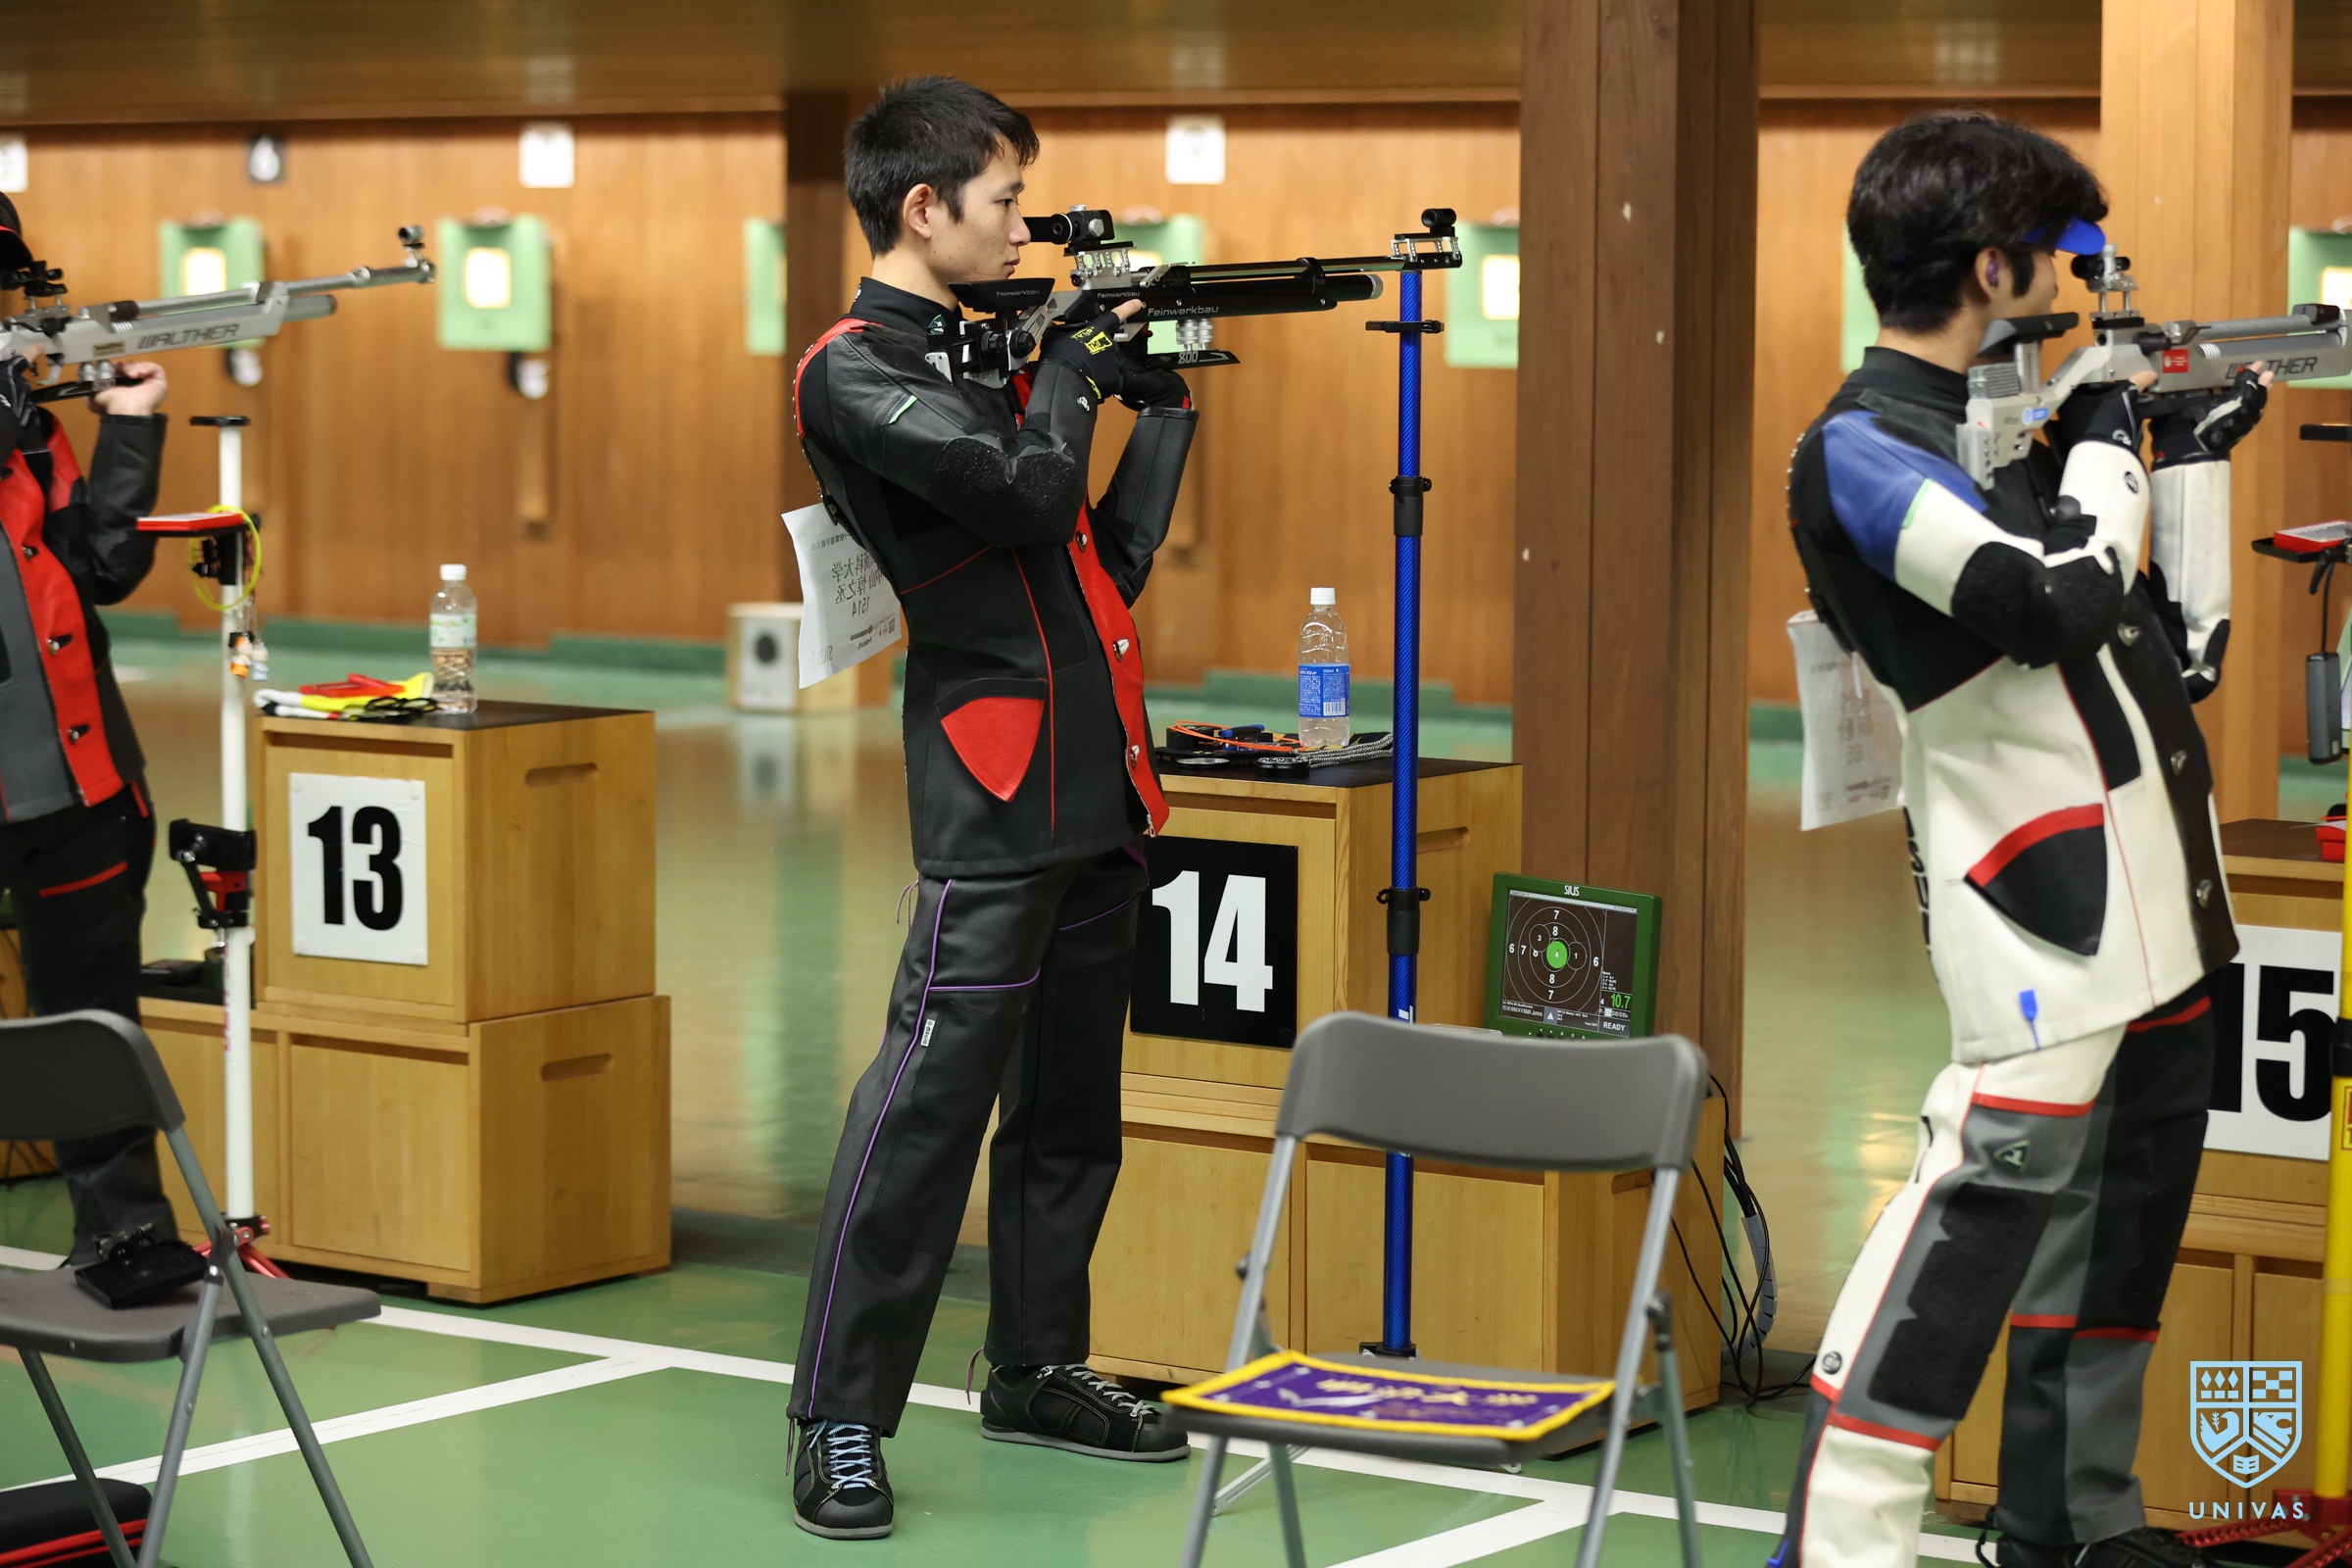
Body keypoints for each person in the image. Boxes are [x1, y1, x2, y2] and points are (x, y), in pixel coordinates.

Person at [1774, 113, 2267, 1568]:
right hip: (2047, 912)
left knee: (2120, 1237)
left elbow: (2165, 650)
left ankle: (2073, 1522)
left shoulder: (2000, 431)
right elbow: (2049, 602)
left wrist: (2183, 464)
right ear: (1991, 268)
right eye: (2060, 253)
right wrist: (2109, 437)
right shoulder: (1861, 450)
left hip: (2165, 906)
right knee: (1964, 1236)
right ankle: (1840, 1545)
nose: (2074, 281)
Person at [785, 76, 1200, 1540]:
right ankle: (838, 1413)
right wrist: (1073, 367)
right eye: (1007, 201)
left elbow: (1102, 561)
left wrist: (1163, 406)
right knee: (927, 1105)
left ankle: (1034, 1366)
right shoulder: (851, 370)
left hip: (1099, 776)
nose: (1026, 229)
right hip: (993, 782)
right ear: (924, 207)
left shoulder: (991, 359)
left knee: (1070, 1108)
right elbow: (1025, 496)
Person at [0, 193, 174, 1260]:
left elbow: (106, 566)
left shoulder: (31, 434)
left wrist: (131, 425)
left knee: (93, 1027)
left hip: (76, 790)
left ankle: (127, 1249)